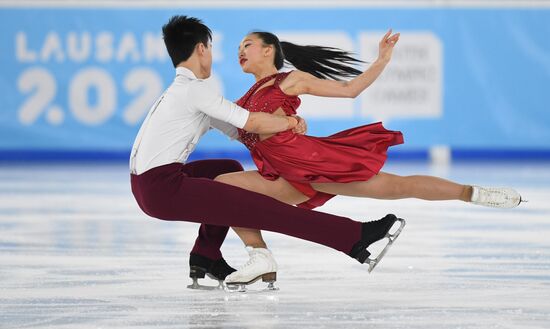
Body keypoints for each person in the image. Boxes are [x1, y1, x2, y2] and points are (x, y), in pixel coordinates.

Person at [214, 30, 523, 286]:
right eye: (239, 47)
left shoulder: (289, 80)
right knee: (223, 188)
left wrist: (382, 60)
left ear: (269, 51)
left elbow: (350, 90)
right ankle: (259, 257)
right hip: (281, 175)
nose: (240, 51)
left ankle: (475, 193)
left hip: (313, 164)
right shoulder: (245, 99)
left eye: (248, 45)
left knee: (400, 187)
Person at [129, 15, 405, 291]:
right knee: (258, 208)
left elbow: (239, 130)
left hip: (146, 184)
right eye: (210, 49)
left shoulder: (182, 90)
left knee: (226, 169)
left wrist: (279, 131)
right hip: (160, 190)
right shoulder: (196, 90)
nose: (212, 55)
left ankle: (206, 253)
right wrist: (290, 122)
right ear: (201, 49)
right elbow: (250, 122)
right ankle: (352, 236)